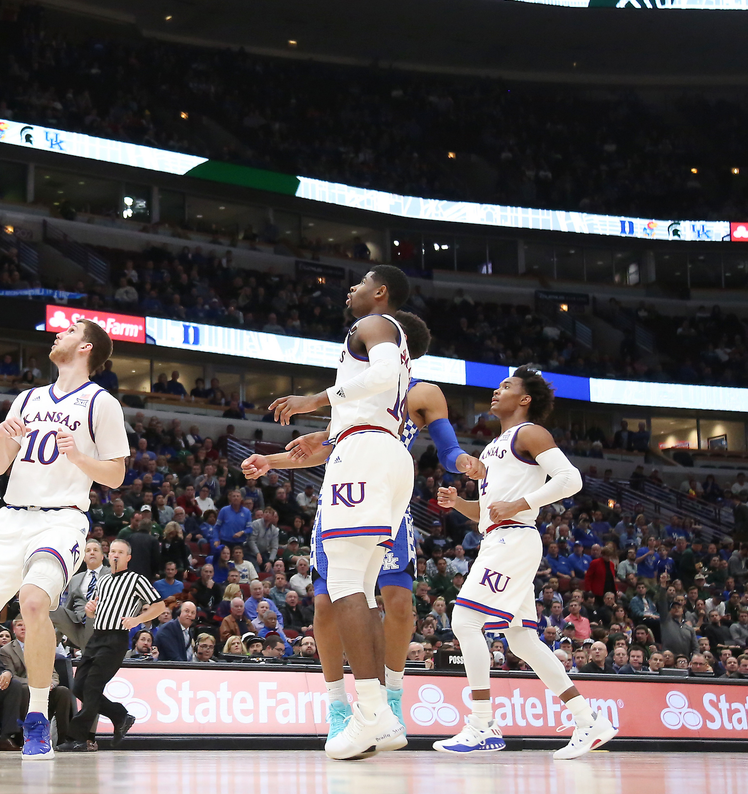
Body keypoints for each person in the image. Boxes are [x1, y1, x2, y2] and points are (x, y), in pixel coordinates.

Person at [244, 311, 480, 733]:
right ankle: (339, 707)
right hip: (347, 485)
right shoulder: (357, 394)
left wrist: (462, 461)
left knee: (398, 604)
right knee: (327, 601)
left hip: (387, 497)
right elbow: (326, 447)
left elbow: (447, 446)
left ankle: (389, 699)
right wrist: (270, 461)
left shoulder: (420, 390)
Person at [0, 319, 127, 761]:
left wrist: (79, 455)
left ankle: (38, 717)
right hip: (10, 517)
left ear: (85, 347)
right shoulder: (27, 398)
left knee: (34, 602)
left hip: (61, 520)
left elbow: (117, 475)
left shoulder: (101, 403)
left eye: (67, 332)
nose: (56, 335)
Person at [262, 266, 414, 760]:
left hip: (365, 457)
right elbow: (376, 392)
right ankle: (384, 718)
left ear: (381, 292)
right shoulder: (388, 335)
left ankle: (367, 713)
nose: (352, 289)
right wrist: (330, 432)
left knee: (345, 583)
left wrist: (315, 399)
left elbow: (384, 376)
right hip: (384, 456)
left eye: (361, 282)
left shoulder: (373, 325)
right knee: (363, 590)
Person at [433, 368, 617, 760]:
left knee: (465, 620)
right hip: (500, 537)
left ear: (524, 399)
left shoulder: (529, 433)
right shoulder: (490, 448)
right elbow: (488, 511)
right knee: (521, 639)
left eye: (506, 386)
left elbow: (571, 480)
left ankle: (482, 722)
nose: (496, 391)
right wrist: (458, 504)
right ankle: (589, 720)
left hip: (514, 537)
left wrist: (520, 504)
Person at [56, 539, 166, 753]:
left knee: (92, 687)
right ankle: (119, 715)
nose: (115, 555)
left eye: (120, 552)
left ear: (128, 557)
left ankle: (77, 737)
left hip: (115, 639)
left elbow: (159, 605)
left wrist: (137, 620)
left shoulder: (136, 579)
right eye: (113, 551)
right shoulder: (104, 581)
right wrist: (90, 610)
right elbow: (94, 611)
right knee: (79, 687)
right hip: (96, 636)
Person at [0, 617, 74, 747]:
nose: (23, 627)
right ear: (14, 630)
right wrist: (36, 684)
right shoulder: (6, 650)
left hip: (44, 688)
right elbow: (11, 676)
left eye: (26, 624)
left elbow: (54, 674)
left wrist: (51, 683)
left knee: (63, 692)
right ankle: (23, 737)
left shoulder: (41, 647)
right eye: (20, 625)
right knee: (24, 689)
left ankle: (63, 739)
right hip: (23, 690)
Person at [51, 539, 109, 650]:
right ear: (83, 558)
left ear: (102, 556)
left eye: (95, 550)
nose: (92, 552)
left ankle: (86, 648)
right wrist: (57, 637)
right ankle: (48, 645)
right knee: (50, 609)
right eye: (88, 550)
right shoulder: (75, 579)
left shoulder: (111, 574)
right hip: (77, 622)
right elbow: (68, 606)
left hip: (99, 621)